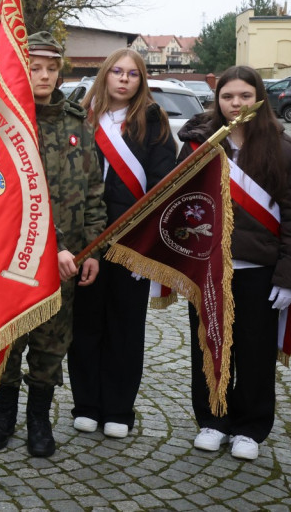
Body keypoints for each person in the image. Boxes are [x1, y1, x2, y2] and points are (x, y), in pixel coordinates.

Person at [0, 31, 105, 457]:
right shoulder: (5, 121)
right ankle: (4, 415)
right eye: (36, 67)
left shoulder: (75, 121)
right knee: (10, 335)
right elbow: (2, 196)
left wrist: (91, 251)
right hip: (14, 254)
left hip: (68, 261)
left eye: (52, 68)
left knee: (51, 341)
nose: (45, 75)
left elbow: (92, 191)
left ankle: (38, 420)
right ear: (22, 69)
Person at [177, 65, 291, 461]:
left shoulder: (281, 148)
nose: (236, 104)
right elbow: (178, 207)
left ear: (258, 98)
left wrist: (287, 276)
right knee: (209, 347)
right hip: (209, 268)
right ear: (218, 100)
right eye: (228, 97)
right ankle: (213, 419)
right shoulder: (199, 143)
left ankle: (250, 427)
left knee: (255, 350)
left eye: (245, 96)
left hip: (259, 270)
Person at [68, 48, 177, 439]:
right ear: (105, 75)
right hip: (87, 240)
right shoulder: (81, 116)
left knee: (126, 327)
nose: (124, 79)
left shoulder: (154, 121)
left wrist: (147, 241)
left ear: (141, 79)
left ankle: (118, 409)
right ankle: (86, 404)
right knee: (87, 323)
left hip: (133, 241)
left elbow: (165, 185)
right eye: (117, 71)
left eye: (132, 73)